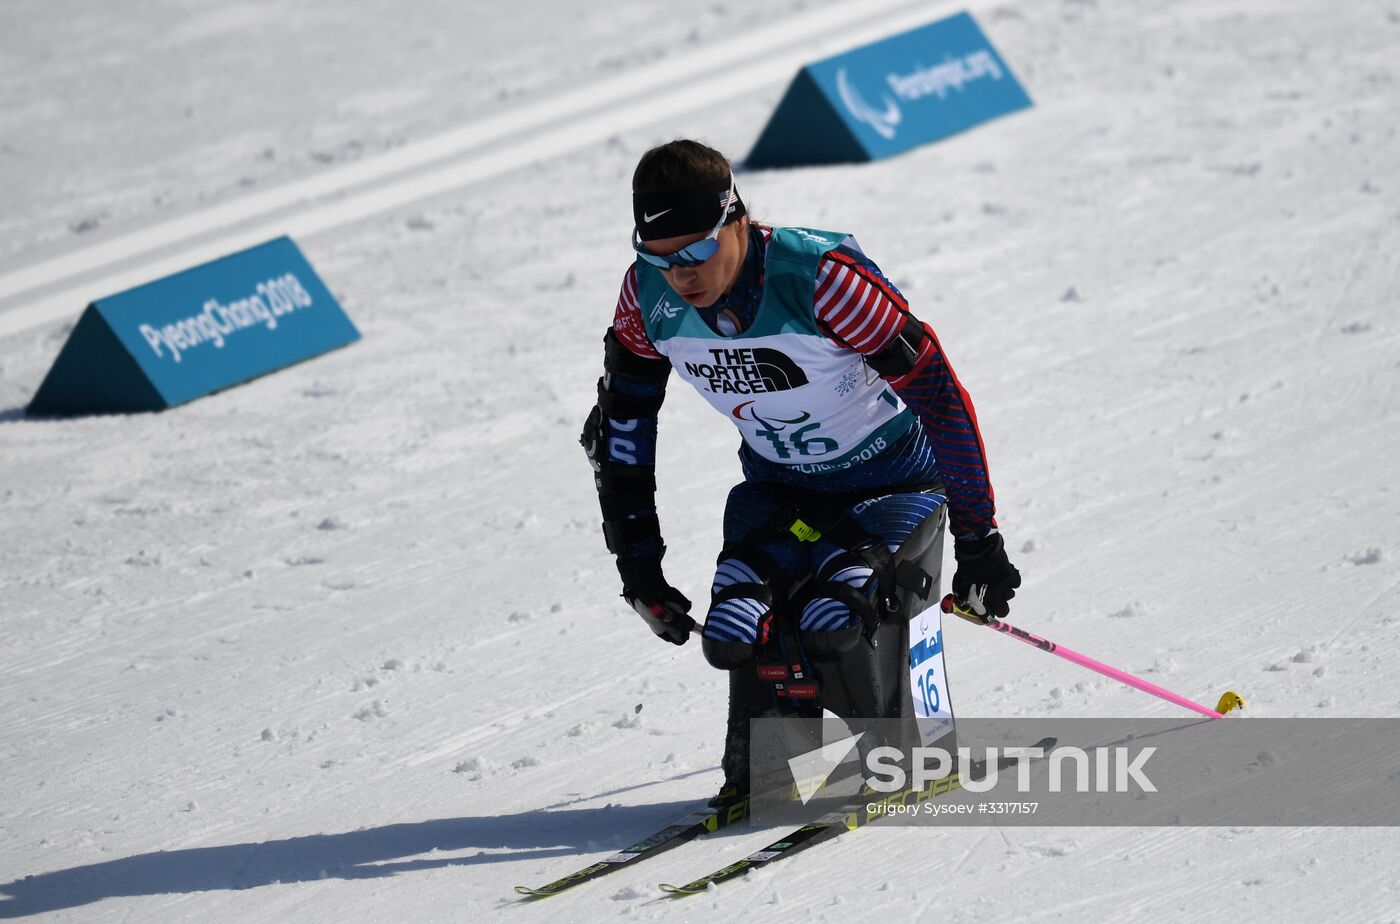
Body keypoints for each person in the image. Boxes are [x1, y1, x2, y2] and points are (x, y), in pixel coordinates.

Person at [580, 138, 1021, 802]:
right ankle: (771, 766)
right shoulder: (647, 297)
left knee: (833, 616)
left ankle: (909, 749)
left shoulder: (822, 280)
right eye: (660, 258)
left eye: (698, 251)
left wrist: (979, 540)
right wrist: (637, 568)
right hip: (781, 490)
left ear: (737, 219)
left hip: (892, 484)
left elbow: (941, 398)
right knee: (734, 625)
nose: (683, 275)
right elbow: (621, 428)